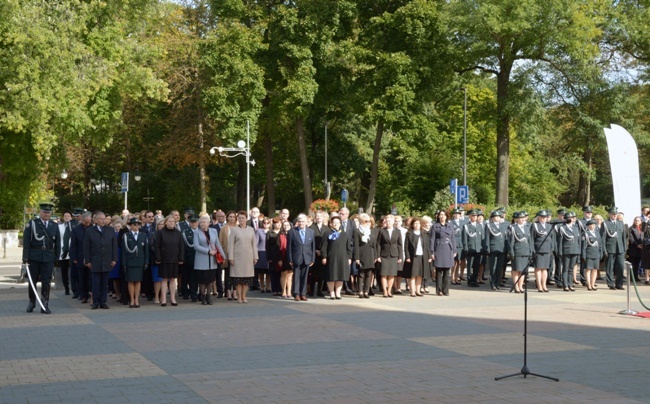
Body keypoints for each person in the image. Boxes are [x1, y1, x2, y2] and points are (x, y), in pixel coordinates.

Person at [22, 203, 61, 314]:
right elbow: (26, 242)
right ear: (40, 212)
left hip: (48, 257)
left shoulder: (54, 225)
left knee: (46, 281)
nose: (46, 214)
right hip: (34, 256)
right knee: (32, 280)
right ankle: (32, 301)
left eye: (48, 212)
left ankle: (45, 303)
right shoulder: (33, 224)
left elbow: (57, 242)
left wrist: (56, 257)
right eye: (44, 212)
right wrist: (25, 257)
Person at [83, 211, 118, 309]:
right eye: (101, 219)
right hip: (95, 261)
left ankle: (103, 301)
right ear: (96, 220)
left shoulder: (110, 230)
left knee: (104, 283)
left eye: (104, 219)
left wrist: (114, 259)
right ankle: (95, 301)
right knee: (95, 283)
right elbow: (86, 247)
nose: (103, 221)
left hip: (107, 260)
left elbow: (114, 246)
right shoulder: (89, 231)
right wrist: (88, 261)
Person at [228, 211, 258, 303]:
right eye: (239, 218)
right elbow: (231, 245)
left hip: (249, 257)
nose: (241, 219)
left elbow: (254, 244)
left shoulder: (251, 229)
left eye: (243, 218)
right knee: (238, 278)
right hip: (237, 258)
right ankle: (239, 297)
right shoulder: (234, 230)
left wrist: (255, 256)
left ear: (246, 219)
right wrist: (231, 257)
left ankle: (244, 296)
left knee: (247, 279)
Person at [194, 215, 225, 305]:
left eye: (204, 222)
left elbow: (218, 244)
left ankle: (209, 296)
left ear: (209, 223)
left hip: (212, 260)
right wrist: (208, 251)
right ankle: (203, 297)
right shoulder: (197, 232)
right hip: (201, 259)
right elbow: (196, 246)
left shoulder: (214, 231)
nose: (203, 224)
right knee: (202, 280)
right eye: (201, 222)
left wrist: (223, 256)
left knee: (211, 279)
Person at [154, 215, 184, 306]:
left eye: (173, 222)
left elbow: (181, 246)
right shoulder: (160, 233)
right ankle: (163, 298)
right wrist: (158, 257)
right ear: (166, 222)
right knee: (164, 279)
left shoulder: (178, 233)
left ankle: (173, 298)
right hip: (164, 259)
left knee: (172, 279)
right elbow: (157, 246)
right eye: (169, 221)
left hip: (174, 258)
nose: (171, 223)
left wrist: (181, 258)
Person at [321, 215, 352, 299]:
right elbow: (323, 247)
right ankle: (332, 293)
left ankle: (338, 293)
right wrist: (324, 257)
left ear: (340, 224)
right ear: (331, 224)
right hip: (331, 257)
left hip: (343, 258)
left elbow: (348, 247)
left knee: (340, 276)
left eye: (337, 223)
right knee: (331, 275)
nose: (336, 224)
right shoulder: (327, 233)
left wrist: (349, 257)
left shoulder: (344, 234)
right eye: (334, 223)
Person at [287, 214, 316, 301]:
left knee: (305, 277)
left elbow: (313, 247)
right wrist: (290, 259)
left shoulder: (311, 232)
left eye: (303, 221)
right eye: (299, 221)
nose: (301, 223)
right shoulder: (292, 232)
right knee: (296, 276)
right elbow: (289, 247)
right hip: (296, 257)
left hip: (307, 258)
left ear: (306, 222)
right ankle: (296, 294)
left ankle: (303, 294)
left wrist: (312, 259)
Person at [121, 217, 149, 307]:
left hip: (140, 261)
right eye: (134, 224)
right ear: (130, 226)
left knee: (138, 281)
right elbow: (124, 251)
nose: (137, 226)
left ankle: (136, 299)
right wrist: (124, 263)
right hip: (130, 262)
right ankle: (132, 299)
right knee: (130, 281)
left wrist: (146, 262)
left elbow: (146, 251)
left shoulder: (143, 235)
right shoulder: (126, 236)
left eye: (138, 224)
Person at [376, 214, 403, 298]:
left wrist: (400, 257)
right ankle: (384, 291)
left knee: (392, 274)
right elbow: (378, 244)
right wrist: (378, 256)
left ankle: (389, 290)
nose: (388, 222)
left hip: (394, 255)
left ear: (393, 222)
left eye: (389, 221)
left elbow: (399, 245)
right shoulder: (382, 231)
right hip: (384, 255)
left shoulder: (397, 231)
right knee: (384, 274)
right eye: (386, 221)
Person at [430, 211, 456, 296]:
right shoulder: (435, 226)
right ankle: (439, 290)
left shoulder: (450, 226)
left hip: (448, 248)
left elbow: (453, 239)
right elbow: (432, 239)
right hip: (439, 248)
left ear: (446, 216)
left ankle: (446, 290)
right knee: (439, 270)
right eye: (441, 215)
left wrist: (454, 250)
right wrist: (432, 252)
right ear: (438, 216)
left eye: (444, 215)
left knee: (446, 270)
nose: (442, 216)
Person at [403, 217, 431, 297]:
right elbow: (406, 246)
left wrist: (429, 256)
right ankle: (412, 291)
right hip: (413, 257)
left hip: (422, 256)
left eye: (418, 223)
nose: (417, 225)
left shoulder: (424, 234)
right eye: (415, 223)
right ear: (412, 225)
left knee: (420, 275)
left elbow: (427, 246)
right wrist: (407, 257)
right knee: (413, 275)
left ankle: (418, 291)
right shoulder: (409, 234)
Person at [601, 207, 627, 290]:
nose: (614, 215)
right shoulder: (605, 223)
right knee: (609, 267)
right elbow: (603, 238)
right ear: (609, 214)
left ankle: (619, 284)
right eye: (613, 214)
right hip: (610, 248)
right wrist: (604, 250)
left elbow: (623, 237)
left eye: (615, 214)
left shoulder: (620, 223)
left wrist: (624, 248)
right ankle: (610, 283)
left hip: (620, 248)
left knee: (620, 266)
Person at [508, 212, 532, 293]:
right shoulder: (513, 228)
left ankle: (521, 286)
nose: (522, 219)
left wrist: (530, 251)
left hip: (525, 251)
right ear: (517, 219)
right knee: (516, 270)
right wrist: (512, 253)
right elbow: (511, 242)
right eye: (520, 218)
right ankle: (516, 286)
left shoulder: (527, 228)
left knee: (523, 271)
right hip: (517, 252)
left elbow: (530, 241)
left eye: (523, 218)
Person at [354, 213, 377, 299]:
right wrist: (357, 258)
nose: (368, 223)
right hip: (362, 254)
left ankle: (366, 291)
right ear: (361, 221)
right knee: (361, 274)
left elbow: (374, 244)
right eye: (366, 221)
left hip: (370, 254)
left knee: (369, 274)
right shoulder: (357, 231)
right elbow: (356, 245)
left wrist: (375, 256)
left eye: (369, 221)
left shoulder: (371, 231)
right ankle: (360, 291)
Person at [484, 210, 507, 291]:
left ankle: (498, 283)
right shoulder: (489, 226)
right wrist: (488, 248)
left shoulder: (503, 226)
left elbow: (505, 238)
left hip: (501, 249)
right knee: (493, 267)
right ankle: (493, 283)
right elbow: (487, 238)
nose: (497, 218)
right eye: (495, 217)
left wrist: (506, 249)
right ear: (492, 218)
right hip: (493, 248)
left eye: (498, 217)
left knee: (499, 267)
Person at [531, 210, 553, 293]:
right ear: (538, 217)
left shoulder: (549, 226)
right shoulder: (535, 226)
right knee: (538, 269)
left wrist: (552, 248)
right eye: (542, 217)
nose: (544, 218)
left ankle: (544, 285)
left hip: (547, 249)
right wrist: (532, 249)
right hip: (538, 249)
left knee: (545, 269)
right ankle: (539, 285)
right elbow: (532, 239)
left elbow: (552, 238)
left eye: (545, 217)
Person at [558, 211, 581, 292]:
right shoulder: (562, 228)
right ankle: (565, 285)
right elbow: (560, 241)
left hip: (575, 250)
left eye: (571, 218)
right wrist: (560, 251)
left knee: (571, 269)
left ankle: (570, 284)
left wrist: (579, 251)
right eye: (568, 218)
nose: (570, 219)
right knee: (565, 269)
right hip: (566, 250)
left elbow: (578, 241)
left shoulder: (576, 228)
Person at [308, 211, 329, 297]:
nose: (319, 217)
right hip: (314, 253)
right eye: (317, 216)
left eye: (320, 216)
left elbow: (328, 241)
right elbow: (309, 241)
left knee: (321, 274)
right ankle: (312, 291)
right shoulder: (311, 228)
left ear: (324, 218)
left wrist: (322, 252)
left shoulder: (327, 228)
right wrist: (315, 250)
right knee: (313, 274)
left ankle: (319, 290)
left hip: (323, 254)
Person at [219, 211, 238, 301]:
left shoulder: (238, 228)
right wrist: (222, 255)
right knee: (228, 273)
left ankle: (235, 290)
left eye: (233, 217)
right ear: (227, 218)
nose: (232, 218)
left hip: (237, 254)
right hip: (226, 253)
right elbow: (220, 242)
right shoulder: (224, 228)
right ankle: (227, 291)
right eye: (230, 216)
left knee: (236, 274)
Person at [462, 209, 483, 288]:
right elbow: (464, 238)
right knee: (470, 266)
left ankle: (475, 280)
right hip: (470, 248)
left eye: (476, 216)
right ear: (470, 216)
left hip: (478, 249)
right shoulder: (466, 226)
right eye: (473, 216)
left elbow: (482, 238)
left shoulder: (479, 226)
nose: (475, 217)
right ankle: (470, 280)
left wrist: (482, 248)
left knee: (476, 266)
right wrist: (466, 248)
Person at [181, 215, 200, 301]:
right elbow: (183, 246)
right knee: (188, 277)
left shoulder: (201, 232)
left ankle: (196, 294)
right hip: (188, 258)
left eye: (195, 222)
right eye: (192, 222)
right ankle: (189, 293)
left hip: (199, 258)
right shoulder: (185, 232)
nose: (193, 224)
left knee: (197, 277)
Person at [582, 219, 603, 291]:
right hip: (589, 253)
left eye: (594, 225)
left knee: (595, 270)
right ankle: (589, 284)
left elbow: (600, 244)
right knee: (588, 270)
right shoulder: (585, 234)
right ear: (588, 226)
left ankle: (593, 284)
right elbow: (584, 246)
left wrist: (601, 253)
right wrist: (584, 255)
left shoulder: (597, 233)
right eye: (591, 225)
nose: (593, 226)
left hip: (596, 253)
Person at [55, 211, 72, 295]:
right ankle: (66, 287)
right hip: (62, 251)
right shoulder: (59, 227)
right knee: (64, 271)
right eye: (65, 216)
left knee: (73, 270)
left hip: (72, 250)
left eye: (68, 216)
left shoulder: (73, 226)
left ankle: (74, 287)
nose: (66, 217)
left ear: (71, 217)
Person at [255, 217, 271, 293]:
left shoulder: (271, 231)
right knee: (261, 271)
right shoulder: (258, 231)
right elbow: (256, 242)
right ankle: (261, 286)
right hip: (261, 252)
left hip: (269, 252)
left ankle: (268, 286)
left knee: (268, 271)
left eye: (268, 223)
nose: (266, 225)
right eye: (264, 223)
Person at [450, 209, 464, 285]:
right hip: (454, 243)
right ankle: (452, 278)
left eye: (458, 214)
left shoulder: (463, 223)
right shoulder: (451, 222)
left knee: (458, 261)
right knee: (454, 262)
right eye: (455, 213)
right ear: (453, 215)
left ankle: (456, 277)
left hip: (460, 244)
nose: (457, 215)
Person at [627, 216, 644, 282]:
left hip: (640, 249)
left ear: (640, 222)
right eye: (636, 220)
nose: (637, 222)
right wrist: (637, 245)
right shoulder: (631, 228)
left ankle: (636, 276)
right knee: (632, 264)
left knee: (637, 264)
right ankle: (632, 277)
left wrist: (642, 244)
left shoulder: (642, 229)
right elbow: (631, 238)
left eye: (638, 220)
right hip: (633, 248)